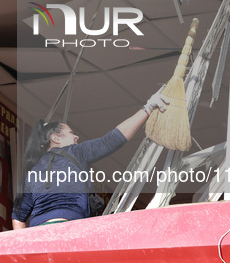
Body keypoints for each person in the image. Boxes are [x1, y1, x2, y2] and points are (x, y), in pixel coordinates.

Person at [12, 87, 168, 229]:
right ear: (55, 138)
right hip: (71, 228)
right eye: (71, 132)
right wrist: (147, 108)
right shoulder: (76, 152)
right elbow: (113, 139)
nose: (76, 136)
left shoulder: (31, 173)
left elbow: (18, 218)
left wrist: (23, 254)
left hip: (39, 235)